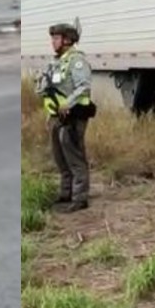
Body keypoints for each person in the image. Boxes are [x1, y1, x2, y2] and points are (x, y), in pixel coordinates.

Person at [36, 22, 96, 213]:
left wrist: (67, 104)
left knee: (74, 157)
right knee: (60, 157)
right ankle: (66, 194)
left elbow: (83, 86)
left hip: (73, 116)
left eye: (56, 38)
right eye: (52, 38)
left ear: (67, 40)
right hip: (57, 117)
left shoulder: (77, 61)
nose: (53, 42)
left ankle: (79, 198)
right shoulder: (56, 62)